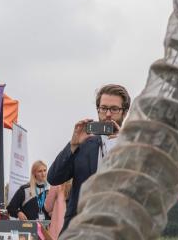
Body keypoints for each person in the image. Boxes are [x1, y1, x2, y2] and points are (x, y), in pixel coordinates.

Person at [47, 84, 131, 231]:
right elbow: (54, 178)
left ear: (125, 112)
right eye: (103, 108)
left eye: (114, 109)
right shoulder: (84, 144)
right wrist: (72, 145)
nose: (108, 114)